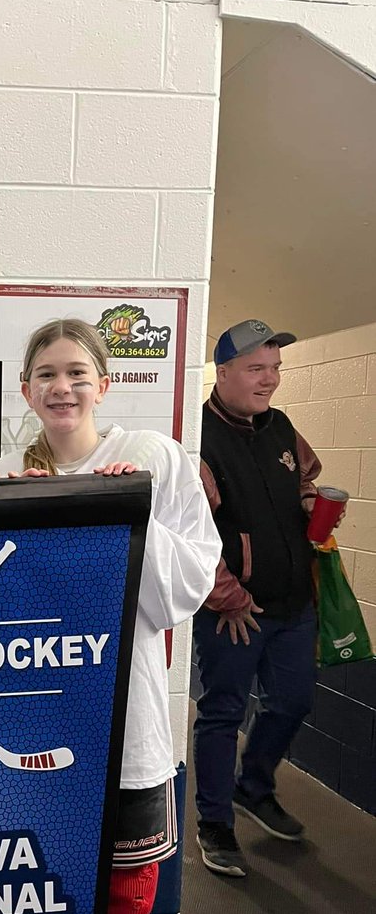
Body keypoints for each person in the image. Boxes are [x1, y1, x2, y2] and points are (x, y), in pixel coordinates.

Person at [0, 317, 221, 914]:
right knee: (38, 877)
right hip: (38, 721)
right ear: (25, 390)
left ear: (105, 382)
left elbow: (182, 589)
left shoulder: (153, 457)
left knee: (127, 882)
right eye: (46, 373)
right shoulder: (14, 472)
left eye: (78, 371)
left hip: (127, 717)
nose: (62, 386)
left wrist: (126, 511)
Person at [193, 320, 325, 879]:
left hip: (294, 603)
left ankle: (254, 787)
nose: (269, 380)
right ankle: (214, 824)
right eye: (255, 369)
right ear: (222, 373)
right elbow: (192, 527)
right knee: (223, 713)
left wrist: (313, 501)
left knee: (292, 702)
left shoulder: (281, 426)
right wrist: (227, 596)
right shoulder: (197, 437)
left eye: (274, 369)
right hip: (235, 610)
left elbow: (307, 476)